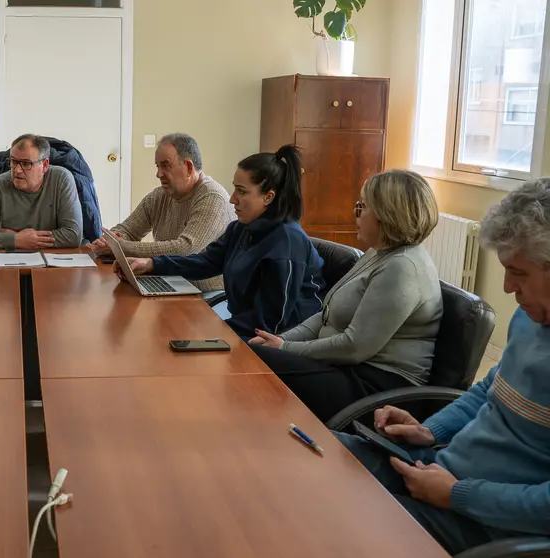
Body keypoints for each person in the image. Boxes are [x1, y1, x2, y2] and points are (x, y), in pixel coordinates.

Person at [334, 178, 550, 554]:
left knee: (340, 521)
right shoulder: (530, 319)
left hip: (487, 523)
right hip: (439, 470)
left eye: (519, 272)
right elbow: (490, 389)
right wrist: (430, 431)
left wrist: (456, 495)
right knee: (320, 456)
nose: (507, 287)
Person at [248, 170, 442, 422]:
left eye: (363, 206)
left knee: (256, 361)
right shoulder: (379, 253)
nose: (355, 212)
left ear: (387, 214)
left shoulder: (402, 267)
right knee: (254, 353)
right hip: (347, 369)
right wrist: (281, 340)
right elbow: (325, 316)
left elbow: (354, 347)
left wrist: (285, 349)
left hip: (376, 389)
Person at [117, 145, 324, 338]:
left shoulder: (287, 242)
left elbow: (269, 322)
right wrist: (152, 264)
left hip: (282, 339)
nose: (233, 199)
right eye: (235, 189)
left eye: (242, 191)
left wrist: (214, 330)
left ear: (268, 197)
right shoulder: (240, 228)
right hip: (246, 328)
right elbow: (206, 262)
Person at [85, 133, 236, 292]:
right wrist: (109, 241)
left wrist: (120, 247)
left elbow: (184, 249)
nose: (159, 174)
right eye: (158, 166)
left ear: (189, 167)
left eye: (165, 165)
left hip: (206, 294)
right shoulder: (159, 195)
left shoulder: (212, 197)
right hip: (169, 283)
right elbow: (128, 229)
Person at [0, 134, 83, 250]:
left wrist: (25, 240)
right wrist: (15, 240)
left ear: (45, 165)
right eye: (14, 162)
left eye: (26, 164)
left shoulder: (62, 179)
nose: (17, 170)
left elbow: (73, 235)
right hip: (10, 260)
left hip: (53, 259)